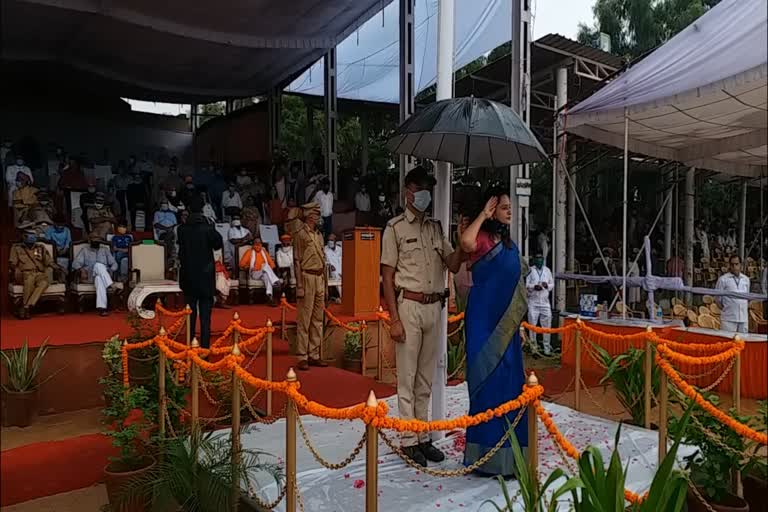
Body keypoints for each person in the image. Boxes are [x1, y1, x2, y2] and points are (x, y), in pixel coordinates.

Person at [381, 166, 464, 467]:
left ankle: (422, 435)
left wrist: (462, 243)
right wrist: (394, 318)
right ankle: (407, 439)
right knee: (407, 376)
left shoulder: (435, 228)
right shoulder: (395, 228)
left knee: (426, 377)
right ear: (408, 191)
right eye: (421, 187)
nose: (426, 193)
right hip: (409, 306)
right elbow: (387, 277)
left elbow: (452, 265)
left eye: (429, 187)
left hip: (434, 307)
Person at [457, 187, 528, 476]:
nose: (509, 211)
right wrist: (482, 215)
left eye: (510, 206)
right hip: (483, 323)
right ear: (491, 209)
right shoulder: (482, 239)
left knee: (511, 387)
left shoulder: (509, 244)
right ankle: (484, 458)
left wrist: (518, 326)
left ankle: (511, 459)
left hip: (508, 328)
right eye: (503, 207)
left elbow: (514, 289)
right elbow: (465, 242)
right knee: (487, 388)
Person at [178, 198, 223, 348]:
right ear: (203, 210)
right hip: (205, 276)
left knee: (189, 314)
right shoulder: (208, 228)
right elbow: (218, 245)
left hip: (188, 276)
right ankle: (204, 347)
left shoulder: (182, 229)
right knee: (205, 317)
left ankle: (190, 346)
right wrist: (212, 226)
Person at [293, 202, 329, 371]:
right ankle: (302, 355)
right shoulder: (300, 234)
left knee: (317, 319)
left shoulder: (319, 235)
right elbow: (297, 261)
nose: (318, 217)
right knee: (305, 319)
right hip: (307, 277)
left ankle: (314, 353)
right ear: (309, 216)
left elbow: (323, 257)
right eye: (316, 214)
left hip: (319, 277)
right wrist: (299, 284)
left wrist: (326, 284)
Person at [9, 227, 60, 319]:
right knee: (29, 281)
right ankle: (26, 308)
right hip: (25, 273)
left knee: (44, 283)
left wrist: (57, 267)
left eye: (34, 235)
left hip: (39, 274)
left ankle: (26, 307)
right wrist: (16, 269)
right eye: (30, 235)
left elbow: (48, 261)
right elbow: (12, 263)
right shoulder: (16, 248)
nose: (33, 237)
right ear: (24, 236)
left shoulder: (40, 247)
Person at [72, 233, 118, 316]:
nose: (96, 243)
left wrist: (111, 270)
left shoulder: (105, 250)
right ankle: (111, 284)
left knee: (99, 280)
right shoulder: (85, 250)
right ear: (90, 241)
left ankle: (102, 308)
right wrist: (81, 270)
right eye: (94, 241)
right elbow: (75, 263)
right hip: (89, 276)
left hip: (102, 277)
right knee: (98, 265)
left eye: (98, 241)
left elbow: (114, 264)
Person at [526, 252, 555, 356]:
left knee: (547, 326)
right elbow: (526, 284)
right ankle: (534, 349)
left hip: (545, 302)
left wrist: (547, 285)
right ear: (534, 259)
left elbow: (552, 284)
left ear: (543, 259)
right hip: (533, 302)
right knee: (532, 326)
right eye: (537, 258)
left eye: (540, 258)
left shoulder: (547, 270)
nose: (539, 260)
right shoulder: (530, 270)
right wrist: (534, 286)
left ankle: (547, 349)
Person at [239, 236, 281, 305]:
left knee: (266, 274)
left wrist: (267, 268)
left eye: (259, 243)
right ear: (253, 244)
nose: (258, 245)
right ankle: (276, 281)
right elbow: (241, 264)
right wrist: (248, 267)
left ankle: (269, 296)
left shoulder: (264, 252)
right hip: (254, 273)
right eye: (256, 243)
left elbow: (272, 264)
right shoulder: (249, 252)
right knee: (265, 267)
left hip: (264, 272)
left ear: (261, 244)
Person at [715, 255, 750, 333]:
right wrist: (727, 309)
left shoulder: (746, 279)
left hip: (743, 318)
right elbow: (717, 299)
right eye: (732, 264)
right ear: (729, 265)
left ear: (741, 265)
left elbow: (747, 297)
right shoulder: (723, 279)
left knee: (743, 341)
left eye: (736, 264)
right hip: (728, 318)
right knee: (727, 342)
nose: (734, 266)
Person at [324, 232, 342, 300]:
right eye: (329, 240)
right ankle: (341, 297)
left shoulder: (340, 249)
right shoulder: (325, 249)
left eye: (331, 240)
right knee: (336, 277)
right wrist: (330, 265)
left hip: (341, 269)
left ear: (335, 240)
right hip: (332, 271)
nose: (330, 242)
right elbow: (324, 260)